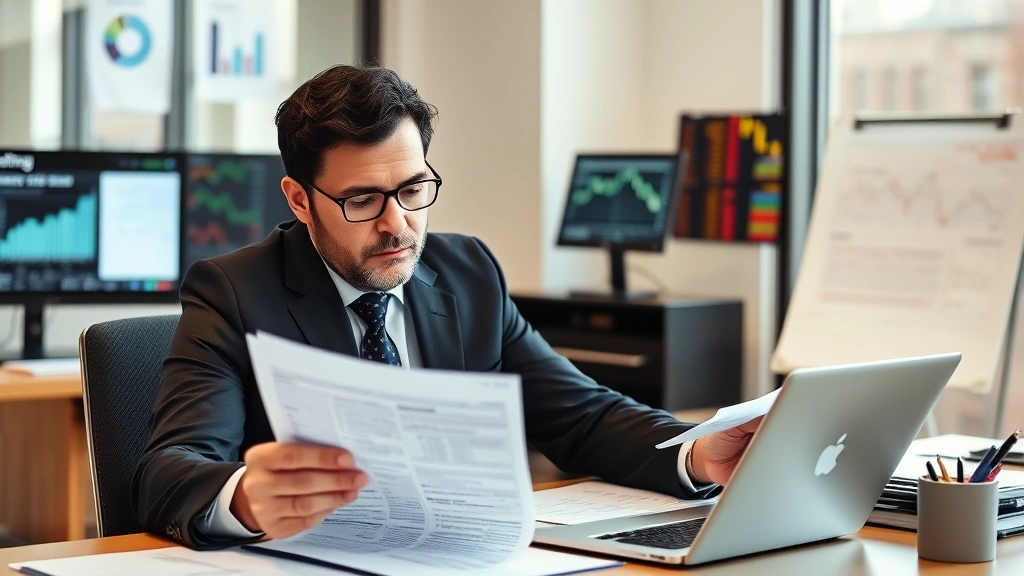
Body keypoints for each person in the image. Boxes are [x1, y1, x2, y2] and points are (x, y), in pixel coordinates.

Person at [133, 65, 762, 549]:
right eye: (362, 200)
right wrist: (244, 498)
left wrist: (699, 451)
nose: (397, 225)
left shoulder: (467, 273)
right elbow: (167, 472)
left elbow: (582, 418)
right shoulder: (235, 291)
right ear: (299, 200)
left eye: (413, 189)